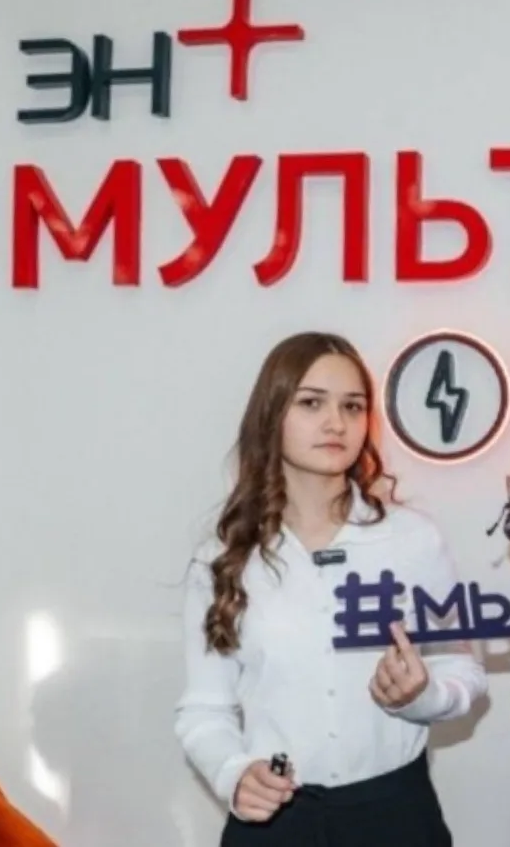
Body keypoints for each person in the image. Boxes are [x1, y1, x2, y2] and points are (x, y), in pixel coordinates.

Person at [174, 332, 487, 846]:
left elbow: (464, 671)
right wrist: (233, 774)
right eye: (311, 403)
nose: (336, 423)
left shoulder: (412, 538)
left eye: (352, 406)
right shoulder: (222, 555)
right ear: (271, 415)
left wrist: (423, 695)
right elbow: (204, 709)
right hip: (275, 822)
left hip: (396, 815)